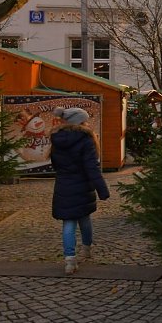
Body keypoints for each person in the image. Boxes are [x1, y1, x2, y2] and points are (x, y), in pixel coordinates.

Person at [49, 106, 110, 275]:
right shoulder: (86, 139)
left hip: (63, 185)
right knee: (84, 218)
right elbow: (91, 168)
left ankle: (69, 260)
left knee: (68, 222)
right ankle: (87, 248)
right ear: (79, 122)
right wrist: (102, 190)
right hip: (82, 185)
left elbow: (55, 164)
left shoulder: (56, 138)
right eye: (85, 120)